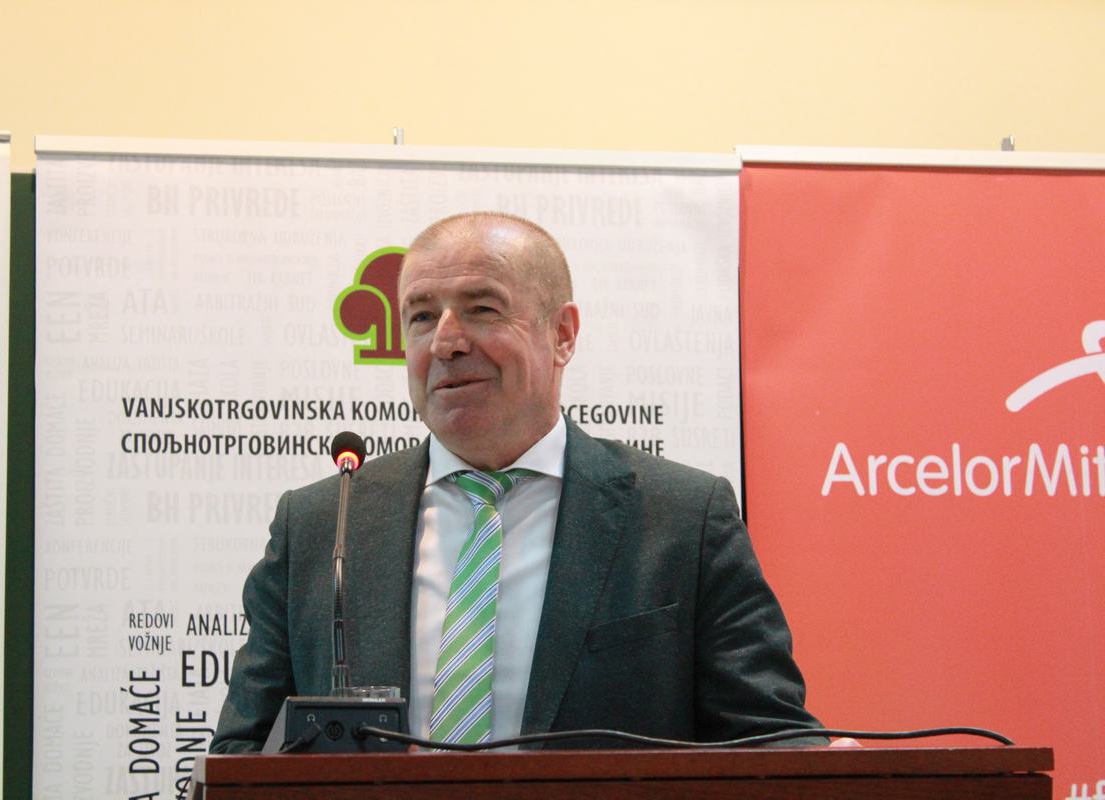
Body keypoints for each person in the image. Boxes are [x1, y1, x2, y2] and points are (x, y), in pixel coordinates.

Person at [210, 211, 823, 752]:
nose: (446, 341)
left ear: (563, 335)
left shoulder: (684, 518)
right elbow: (239, 755)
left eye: (482, 309)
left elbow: (769, 741)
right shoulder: (323, 526)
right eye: (421, 316)